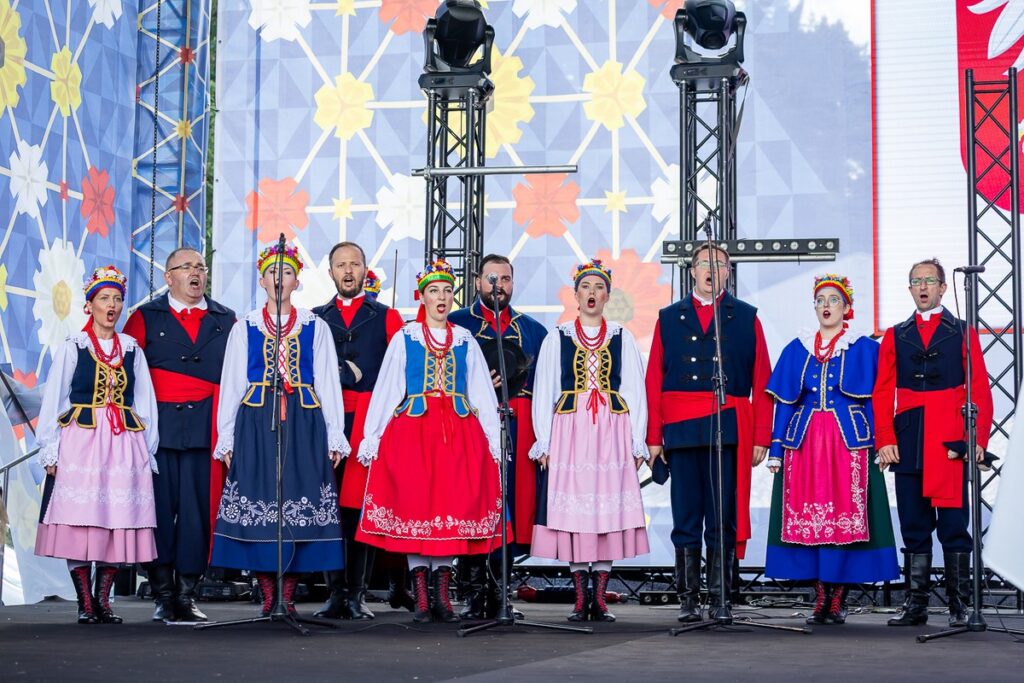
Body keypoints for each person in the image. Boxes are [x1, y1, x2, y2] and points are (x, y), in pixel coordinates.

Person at [356, 259, 504, 624]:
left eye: (447, 291)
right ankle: (421, 596)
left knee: (449, 511)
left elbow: (482, 393)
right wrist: (372, 435)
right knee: (417, 509)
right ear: (421, 297)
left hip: (458, 433)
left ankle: (441, 595)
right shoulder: (406, 337)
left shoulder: (465, 339)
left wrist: (493, 441)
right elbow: (388, 386)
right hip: (412, 433)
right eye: (433, 291)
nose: (441, 297)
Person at [210, 243, 349, 616]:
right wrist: (228, 436)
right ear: (261, 280)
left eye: (286, 272)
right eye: (273, 272)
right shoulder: (246, 326)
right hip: (256, 421)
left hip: (304, 420)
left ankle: (288, 596)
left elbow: (327, 383)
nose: (279, 279)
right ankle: (268, 594)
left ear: (297, 282)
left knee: (300, 497)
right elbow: (233, 382)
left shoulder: (314, 326)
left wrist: (335, 433)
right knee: (259, 499)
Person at [645, 244, 772, 622]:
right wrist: (654, 438)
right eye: (704, 264)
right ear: (692, 272)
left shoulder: (745, 316)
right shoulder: (668, 317)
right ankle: (687, 599)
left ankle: (720, 598)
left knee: (722, 515)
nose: (711, 270)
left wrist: (761, 436)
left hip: (728, 427)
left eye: (719, 264)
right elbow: (654, 380)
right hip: (681, 428)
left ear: (728, 272)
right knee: (685, 516)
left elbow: (762, 379)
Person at [764, 275, 899, 625]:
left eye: (833, 300)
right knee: (810, 517)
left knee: (844, 518)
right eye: (820, 300)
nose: (825, 306)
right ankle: (820, 594)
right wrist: (776, 447)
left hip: (849, 444)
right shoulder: (798, 347)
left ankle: (837, 595)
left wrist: (881, 441)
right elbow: (785, 403)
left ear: (847, 308)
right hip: (805, 444)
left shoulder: (864, 348)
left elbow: (874, 401)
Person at [35, 266, 159, 624]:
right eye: (105, 298)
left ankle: (103, 600)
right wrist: (50, 448)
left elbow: (144, 402)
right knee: (82, 521)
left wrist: (146, 450)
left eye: (118, 299)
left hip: (123, 444)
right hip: (82, 443)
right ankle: (85, 602)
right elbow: (55, 400)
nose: (112, 305)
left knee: (115, 519)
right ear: (89, 305)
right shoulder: (75, 346)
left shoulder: (132, 349)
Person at [873, 258, 993, 627]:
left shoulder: (962, 331)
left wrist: (975, 438)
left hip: (949, 435)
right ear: (910, 289)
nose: (922, 286)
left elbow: (980, 389)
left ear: (943, 287)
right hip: (909, 434)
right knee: (913, 521)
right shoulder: (896, 334)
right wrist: (885, 439)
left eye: (929, 280)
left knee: (954, 523)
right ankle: (917, 604)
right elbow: (882, 392)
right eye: (915, 281)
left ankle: (960, 605)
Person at [530, 259, 650, 622]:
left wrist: (636, 440)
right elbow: (545, 389)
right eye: (586, 287)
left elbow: (634, 389)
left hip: (611, 430)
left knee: (606, 510)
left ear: (608, 295)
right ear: (576, 295)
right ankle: (581, 597)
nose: (592, 293)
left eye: (599, 287)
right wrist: (544, 441)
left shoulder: (621, 336)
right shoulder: (559, 336)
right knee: (575, 512)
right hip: (571, 431)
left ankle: (599, 597)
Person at [123, 247, 236, 622]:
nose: (195, 273)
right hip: (156, 431)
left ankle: (187, 593)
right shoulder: (144, 317)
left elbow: (237, 378)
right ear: (168, 277)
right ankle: (162, 593)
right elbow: (125, 376)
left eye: (200, 267)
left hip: (206, 428)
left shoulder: (226, 319)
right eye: (186, 267)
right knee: (154, 510)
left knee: (197, 513)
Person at [448, 253, 548, 619]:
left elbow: (544, 385)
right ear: (476, 282)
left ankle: (500, 591)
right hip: (471, 424)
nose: (498, 285)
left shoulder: (534, 330)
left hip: (518, 425)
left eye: (504, 279)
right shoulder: (457, 324)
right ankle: (473, 593)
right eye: (491, 278)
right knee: (474, 502)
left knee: (512, 504)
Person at [311, 242, 404, 620]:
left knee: (362, 507)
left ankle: (358, 593)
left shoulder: (388, 316)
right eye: (340, 265)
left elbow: (400, 373)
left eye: (355, 263)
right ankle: (334, 591)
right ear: (330, 272)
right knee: (327, 506)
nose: (348, 271)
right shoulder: (316, 318)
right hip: (327, 421)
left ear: (366, 269)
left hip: (370, 421)